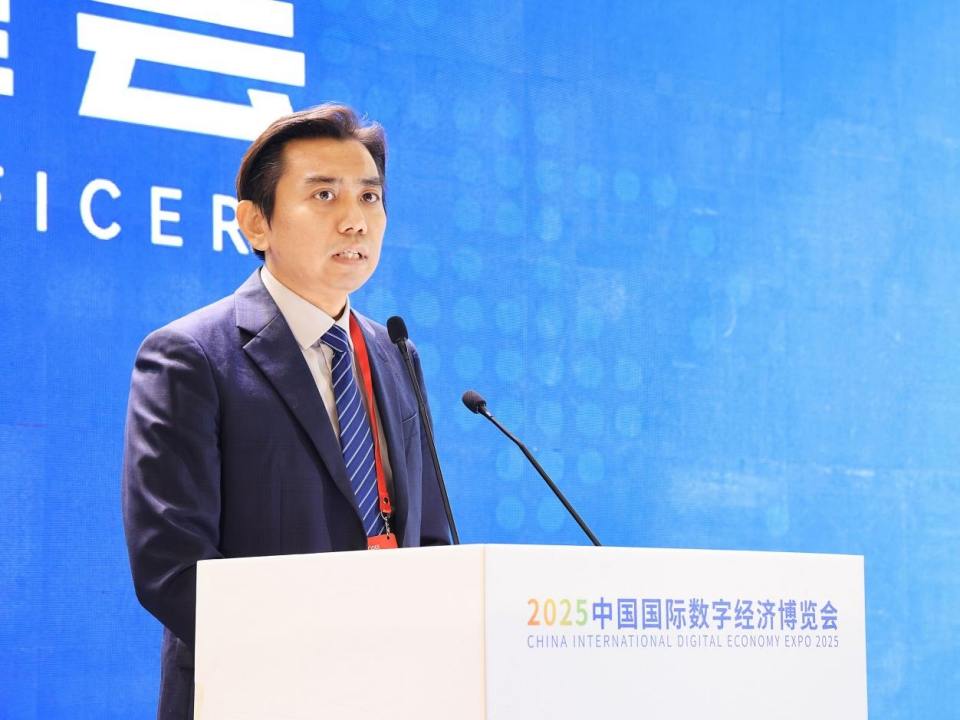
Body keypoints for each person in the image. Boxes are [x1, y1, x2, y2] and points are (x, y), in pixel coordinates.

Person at [121, 103, 451, 720]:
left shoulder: (394, 352)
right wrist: (325, 665)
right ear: (256, 223)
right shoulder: (190, 356)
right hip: (258, 694)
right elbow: (173, 566)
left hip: (394, 691)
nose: (354, 220)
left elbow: (428, 536)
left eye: (370, 197)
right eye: (324, 195)